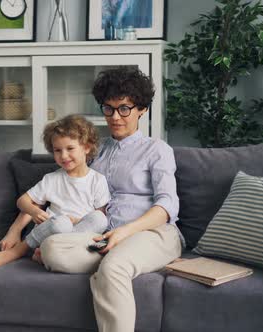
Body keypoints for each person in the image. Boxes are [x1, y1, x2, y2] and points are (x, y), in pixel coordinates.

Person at [39, 67, 184, 332]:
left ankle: (113, 267)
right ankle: (111, 265)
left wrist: (123, 233)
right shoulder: (96, 151)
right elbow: (64, 187)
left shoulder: (157, 150)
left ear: (142, 109)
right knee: (51, 248)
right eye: (109, 108)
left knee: (114, 267)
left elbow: (166, 207)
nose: (116, 117)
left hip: (153, 233)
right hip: (102, 236)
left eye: (125, 108)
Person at [0, 115, 111, 268]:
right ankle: (20, 250)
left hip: (80, 233)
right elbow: (22, 201)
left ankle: (46, 254)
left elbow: (99, 215)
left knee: (100, 219)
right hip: (54, 230)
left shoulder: (98, 180)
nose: (64, 156)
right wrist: (34, 211)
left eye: (70, 148)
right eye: (57, 150)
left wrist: (78, 221)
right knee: (61, 223)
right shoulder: (52, 179)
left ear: (87, 147)